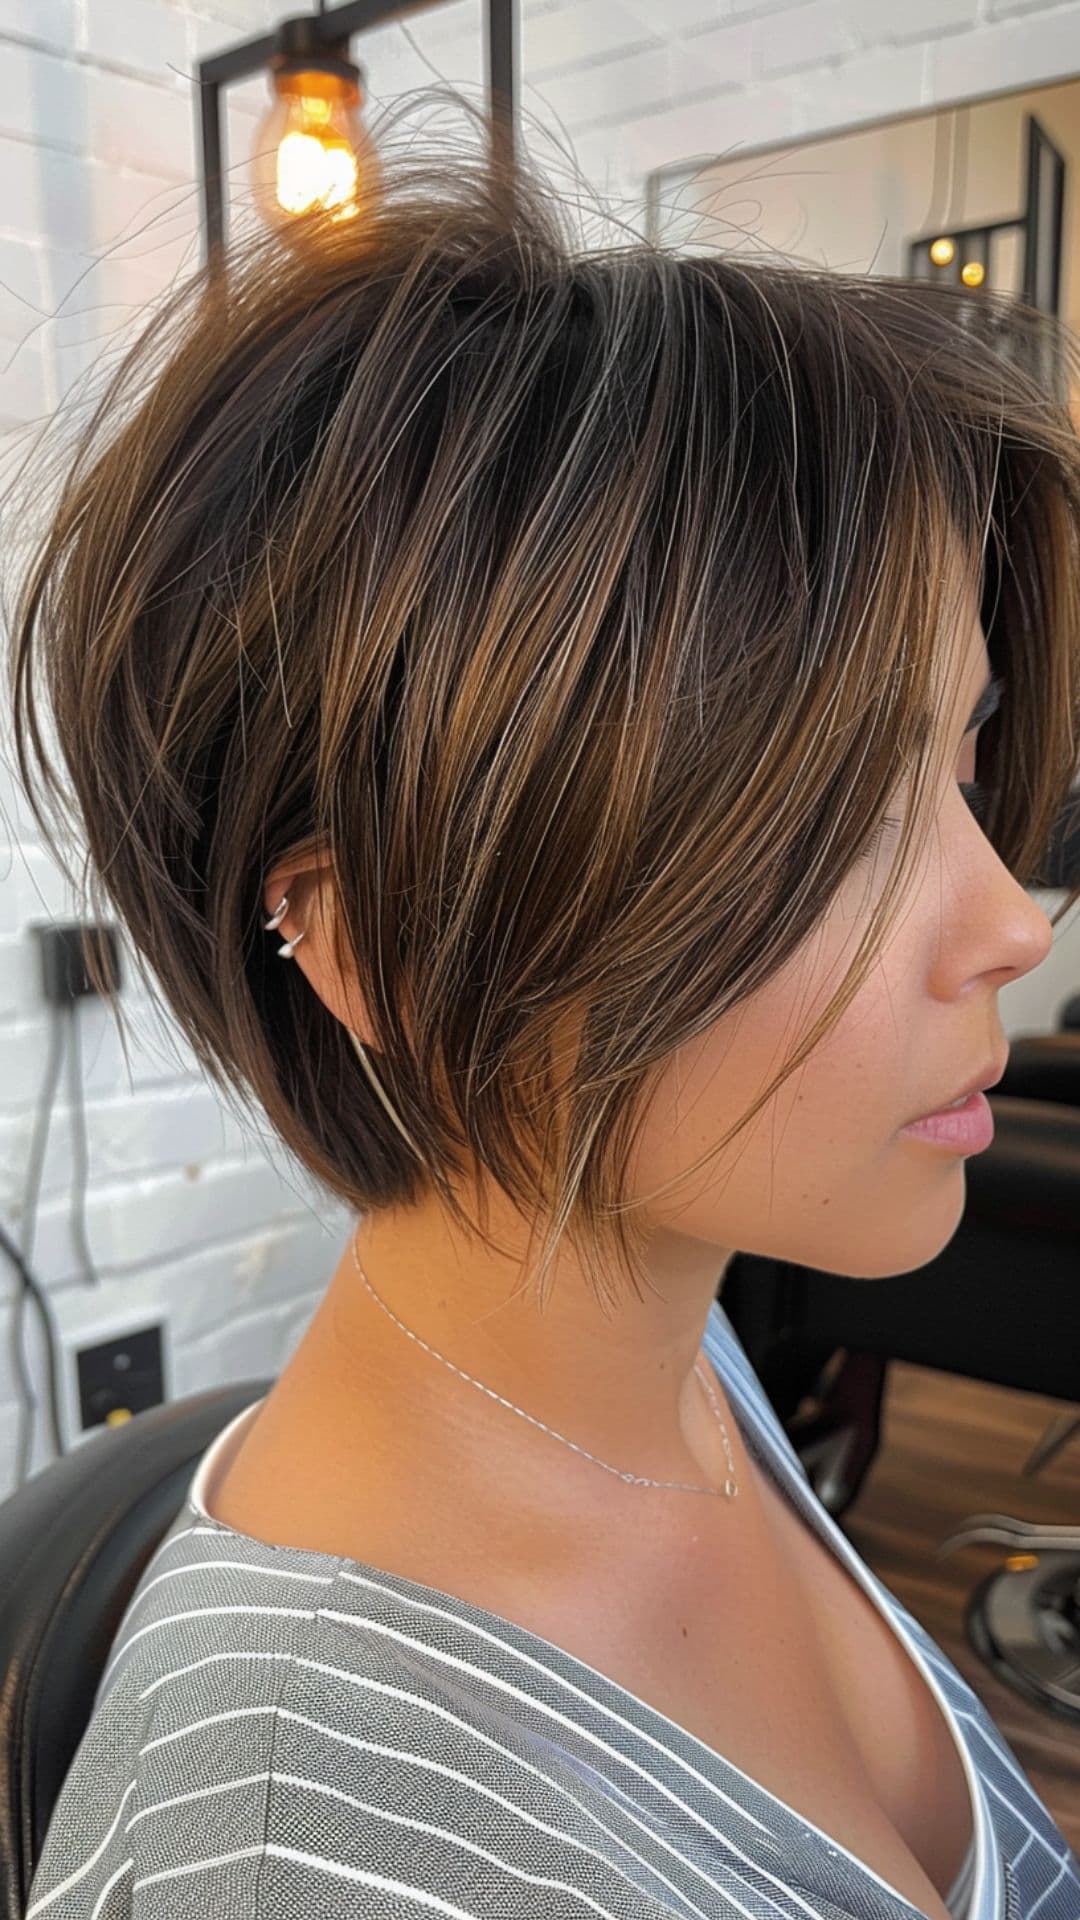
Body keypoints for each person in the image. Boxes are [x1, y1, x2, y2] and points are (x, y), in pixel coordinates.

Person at [9, 90, 1080, 1920]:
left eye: (959, 756)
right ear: (383, 950)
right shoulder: (292, 1865)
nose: (1005, 921)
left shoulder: (681, 1360)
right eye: (824, 815)